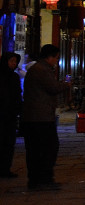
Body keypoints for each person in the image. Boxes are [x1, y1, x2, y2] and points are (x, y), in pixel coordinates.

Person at [21, 44, 65, 190]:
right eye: (56, 58)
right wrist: (66, 85)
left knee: (35, 149)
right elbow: (53, 88)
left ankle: (35, 180)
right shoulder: (42, 70)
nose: (57, 61)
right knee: (47, 147)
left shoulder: (37, 69)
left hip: (33, 115)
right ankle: (43, 179)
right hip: (41, 117)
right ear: (49, 57)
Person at [0, 52, 22, 178]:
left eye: (15, 61)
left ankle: (5, 168)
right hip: (3, 113)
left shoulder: (14, 77)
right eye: (11, 61)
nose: (13, 64)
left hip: (10, 114)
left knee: (9, 142)